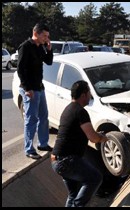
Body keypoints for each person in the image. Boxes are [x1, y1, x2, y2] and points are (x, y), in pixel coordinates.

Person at [51, 80, 108, 207]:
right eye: (89, 93)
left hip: (57, 160)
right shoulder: (80, 111)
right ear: (83, 95)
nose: (90, 96)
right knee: (95, 178)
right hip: (67, 160)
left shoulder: (68, 109)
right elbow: (93, 138)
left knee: (73, 194)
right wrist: (103, 138)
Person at [17, 23, 54, 159]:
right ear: (36, 33)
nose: (46, 38)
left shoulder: (40, 47)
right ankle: (29, 149)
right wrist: (27, 89)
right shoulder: (25, 47)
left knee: (44, 116)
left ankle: (42, 144)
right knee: (31, 119)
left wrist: (49, 50)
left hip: (39, 87)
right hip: (29, 89)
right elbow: (20, 69)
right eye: (44, 36)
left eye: (47, 36)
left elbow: (48, 62)